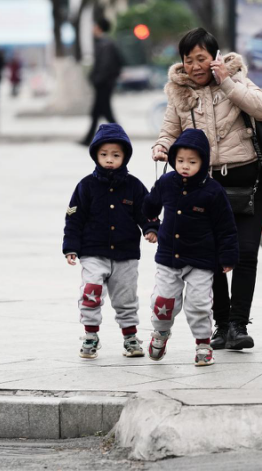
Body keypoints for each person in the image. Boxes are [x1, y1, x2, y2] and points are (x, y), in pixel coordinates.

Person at [151, 27, 262, 350]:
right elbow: (169, 131)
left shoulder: (236, 79)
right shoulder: (179, 93)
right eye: (188, 60)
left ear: (215, 58)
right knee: (212, 256)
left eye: (201, 58)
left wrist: (228, 83)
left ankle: (238, 324)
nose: (194, 66)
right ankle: (221, 326)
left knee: (246, 254)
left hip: (246, 182)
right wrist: (162, 146)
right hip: (204, 186)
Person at [143, 129, 239, 366]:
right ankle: (161, 333)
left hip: (201, 260)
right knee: (164, 302)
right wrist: (151, 227)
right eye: (180, 161)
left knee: (199, 304)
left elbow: (226, 226)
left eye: (192, 162)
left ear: (204, 162)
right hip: (168, 258)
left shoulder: (213, 191)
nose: (185, 166)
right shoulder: (166, 182)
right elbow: (148, 206)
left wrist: (227, 256)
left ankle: (203, 344)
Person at [63, 123, 158, 359]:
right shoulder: (86, 186)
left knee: (126, 298)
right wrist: (71, 247)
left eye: (115, 155)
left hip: (126, 254)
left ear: (125, 156)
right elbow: (74, 219)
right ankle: (90, 335)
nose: (109, 160)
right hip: (93, 252)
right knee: (91, 291)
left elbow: (146, 211)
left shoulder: (134, 186)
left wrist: (151, 228)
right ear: (95, 155)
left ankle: (130, 337)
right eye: (104, 154)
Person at [80, 18, 123, 146]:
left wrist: (96, 80)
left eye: (94, 26)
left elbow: (105, 65)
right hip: (103, 84)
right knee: (98, 112)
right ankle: (88, 139)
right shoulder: (104, 43)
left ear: (99, 28)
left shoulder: (105, 44)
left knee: (105, 113)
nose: (93, 29)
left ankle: (120, 136)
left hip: (104, 84)